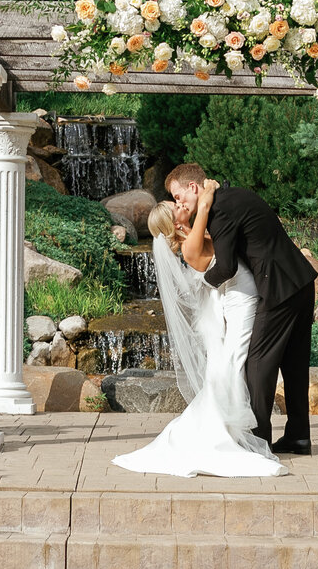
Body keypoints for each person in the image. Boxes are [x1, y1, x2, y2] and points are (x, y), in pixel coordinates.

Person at [112, 182, 287, 477]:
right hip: (236, 300)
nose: (180, 205)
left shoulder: (193, 238)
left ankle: (231, 425)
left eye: (177, 201)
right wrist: (207, 191)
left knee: (230, 360)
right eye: (175, 206)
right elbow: (204, 208)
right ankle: (228, 428)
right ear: (175, 223)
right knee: (233, 360)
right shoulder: (191, 244)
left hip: (232, 300)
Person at [168, 163, 318, 455]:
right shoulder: (231, 197)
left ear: (193, 188)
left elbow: (226, 266)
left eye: (178, 196)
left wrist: (201, 285)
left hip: (277, 290)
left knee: (258, 364)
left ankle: (257, 441)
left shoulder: (219, 211)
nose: (178, 203)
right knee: (295, 366)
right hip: (301, 282)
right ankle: (298, 436)